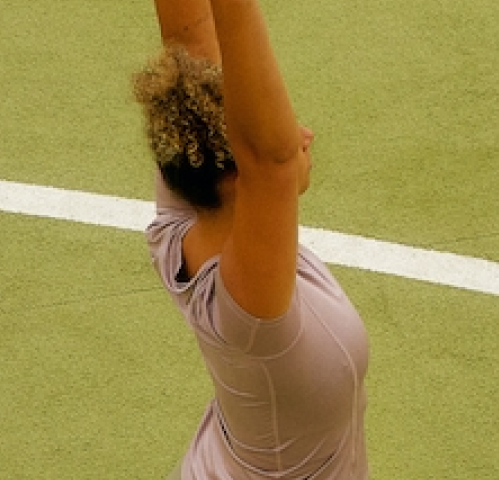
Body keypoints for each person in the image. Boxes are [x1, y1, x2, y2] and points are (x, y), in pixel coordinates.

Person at [135, 0, 369, 478]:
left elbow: (192, 43)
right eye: (286, 128)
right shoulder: (255, 313)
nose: (304, 134)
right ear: (242, 177)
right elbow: (273, 157)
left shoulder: (180, 222)